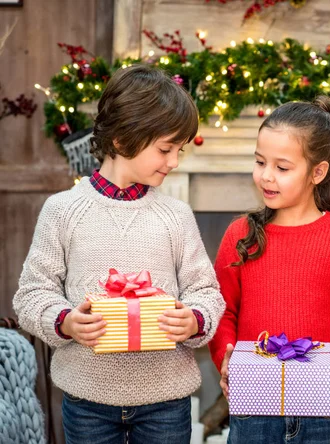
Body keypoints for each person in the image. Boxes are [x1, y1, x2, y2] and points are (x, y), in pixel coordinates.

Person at [13, 64, 225, 444]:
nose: (175, 161)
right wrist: (65, 322)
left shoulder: (176, 216)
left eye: (179, 150)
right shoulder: (62, 211)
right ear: (124, 140)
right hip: (87, 402)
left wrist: (194, 321)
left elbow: (206, 292)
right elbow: (31, 294)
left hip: (166, 403)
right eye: (166, 148)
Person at [209, 96, 330, 443]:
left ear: (318, 171)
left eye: (282, 168)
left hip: (321, 411)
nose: (266, 176)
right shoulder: (240, 234)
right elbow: (221, 310)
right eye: (259, 162)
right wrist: (225, 358)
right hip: (252, 410)